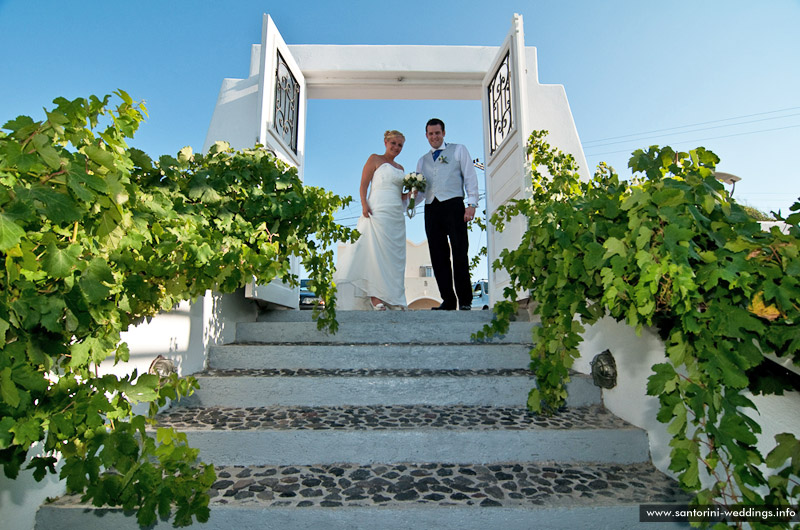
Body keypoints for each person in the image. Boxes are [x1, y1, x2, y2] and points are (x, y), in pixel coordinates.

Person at [334, 130, 410, 311]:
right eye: (394, 144)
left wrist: (412, 193)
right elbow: (363, 184)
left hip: (395, 215)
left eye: (400, 145)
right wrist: (364, 204)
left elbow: (401, 196)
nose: (396, 148)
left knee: (394, 257)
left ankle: (394, 298)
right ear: (385, 142)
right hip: (377, 210)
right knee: (375, 253)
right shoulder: (375, 159)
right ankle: (375, 297)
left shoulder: (401, 169)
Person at [415, 118, 479, 311]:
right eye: (430, 134)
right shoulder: (422, 161)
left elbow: (470, 176)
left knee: (460, 251)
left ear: (443, 133)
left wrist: (472, 204)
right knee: (438, 256)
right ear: (426, 136)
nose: (434, 137)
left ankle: (465, 300)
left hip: (454, 205)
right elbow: (420, 190)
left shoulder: (459, 150)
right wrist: (405, 205)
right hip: (431, 208)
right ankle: (449, 301)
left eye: (437, 133)